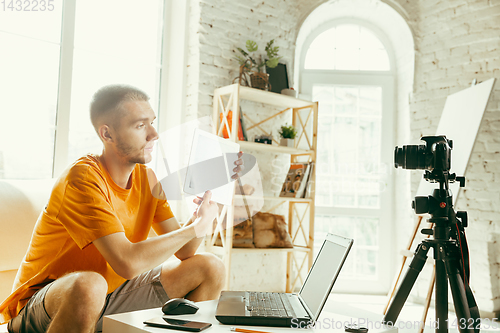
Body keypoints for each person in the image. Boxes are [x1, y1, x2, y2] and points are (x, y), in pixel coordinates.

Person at [0, 84, 242, 333]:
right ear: (107, 134)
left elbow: (186, 250)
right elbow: (127, 263)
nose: (154, 134)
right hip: (45, 305)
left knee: (210, 267)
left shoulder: (147, 179)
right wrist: (194, 229)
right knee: (90, 285)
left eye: (152, 123)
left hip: (111, 296)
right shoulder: (82, 178)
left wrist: (205, 209)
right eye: (140, 126)